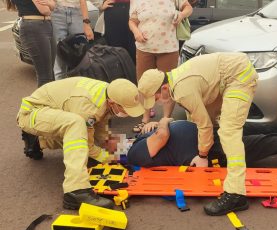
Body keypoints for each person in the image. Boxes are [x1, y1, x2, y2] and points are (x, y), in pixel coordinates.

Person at [137, 52, 258, 216]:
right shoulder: (175, 81)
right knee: (217, 123)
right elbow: (198, 115)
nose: (157, 101)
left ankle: (236, 194)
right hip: (224, 77)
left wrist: (202, 155)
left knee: (229, 130)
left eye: (156, 97)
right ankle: (226, 156)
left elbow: (204, 124)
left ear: (164, 88)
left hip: (238, 76)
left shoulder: (182, 90)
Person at [17, 77, 145, 210]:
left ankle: (38, 141)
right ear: (112, 102)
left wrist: (118, 147)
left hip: (52, 110)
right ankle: (76, 191)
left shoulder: (110, 92)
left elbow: (100, 129)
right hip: (32, 113)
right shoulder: (87, 107)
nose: (128, 114)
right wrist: (109, 157)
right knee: (76, 126)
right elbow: (88, 146)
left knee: (80, 133)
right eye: (125, 109)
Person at [127, 118, 277, 167]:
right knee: (261, 143)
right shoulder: (133, 154)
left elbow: (157, 133)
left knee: (254, 129)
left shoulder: (139, 140)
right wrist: (163, 121)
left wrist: (152, 125)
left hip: (207, 135)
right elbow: (162, 136)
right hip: (209, 151)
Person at [128, 0, 193, 133]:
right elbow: (132, 21)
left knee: (168, 86)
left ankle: (165, 119)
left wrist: (181, 15)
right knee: (144, 85)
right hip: (144, 47)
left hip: (168, 48)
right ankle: (145, 119)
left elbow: (188, 8)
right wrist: (136, 32)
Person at [6, 0, 56, 87]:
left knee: (50, 75)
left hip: (45, 25)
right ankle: (42, 100)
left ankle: (47, 99)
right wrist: (49, 4)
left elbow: (54, 5)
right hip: (35, 27)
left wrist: (49, 4)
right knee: (45, 77)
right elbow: (45, 10)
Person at [52, 0, 95, 79]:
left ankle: (79, 89)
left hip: (77, 12)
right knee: (59, 63)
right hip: (57, 12)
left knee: (81, 60)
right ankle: (60, 90)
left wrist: (86, 23)